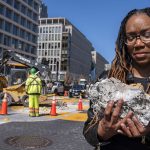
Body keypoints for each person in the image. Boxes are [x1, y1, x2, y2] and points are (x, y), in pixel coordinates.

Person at [83, 7, 150, 150]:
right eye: (131, 37)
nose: (138, 44)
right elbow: (89, 131)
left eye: (147, 34)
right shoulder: (108, 80)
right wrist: (102, 131)